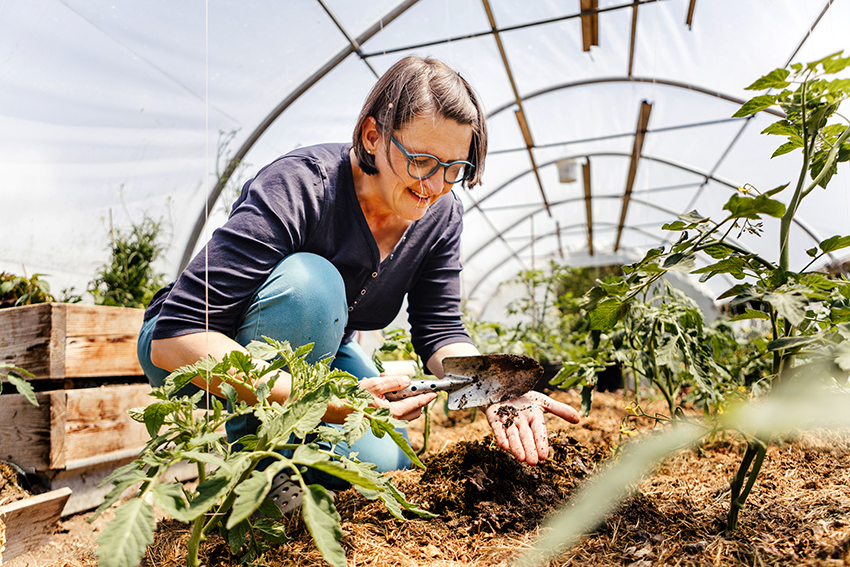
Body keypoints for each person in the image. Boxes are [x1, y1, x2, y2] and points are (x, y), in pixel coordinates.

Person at [137, 54, 580, 511]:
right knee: (312, 284)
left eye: (455, 168)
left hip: (317, 357)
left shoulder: (441, 215)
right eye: (423, 161)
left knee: (389, 459)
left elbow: (441, 330)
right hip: (197, 344)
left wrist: (493, 384)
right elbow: (177, 335)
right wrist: (320, 399)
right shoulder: (301, 185)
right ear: (373, 136)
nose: (437, 185)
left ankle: (301, 459)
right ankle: (261, 479)